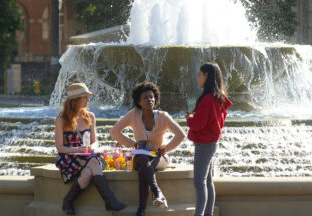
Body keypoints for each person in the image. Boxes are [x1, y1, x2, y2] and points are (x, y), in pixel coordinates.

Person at [111, 82, 186, 216]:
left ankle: (141, 210)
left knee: (143, 170)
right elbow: (114, 131)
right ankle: (157, 193)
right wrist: (132, 144)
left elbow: (181, 135)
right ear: (139, 101)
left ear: (155, 99)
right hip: (140, 156)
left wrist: (165, 149)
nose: (149, 100)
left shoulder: (163, 116)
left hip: (159, 157)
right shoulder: (133, 114)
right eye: (145, 97)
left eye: (151, 97)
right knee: (143, 159)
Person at [54, 82, 126, 215]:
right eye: (85, 97)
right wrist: (79, 149)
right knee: (93, 162)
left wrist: (91, 147)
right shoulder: (61, 119)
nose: (89, 100)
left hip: (87, 156)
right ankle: (110, 201)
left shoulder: (91, 116)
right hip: (69, 157)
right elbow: (60, 147)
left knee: (87, 173)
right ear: (75, 101)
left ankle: (68, 200)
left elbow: (95, 142)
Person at [185, 63, 232, 216]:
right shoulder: (218, 97)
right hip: (212, 143)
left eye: (200, 74)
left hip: (204, 144)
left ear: (206, 76)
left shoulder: (207, 99)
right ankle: (208, 213)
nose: (198, 78)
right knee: (208, 181)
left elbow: (198, 124)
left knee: (199, 182)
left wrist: (189, 119)